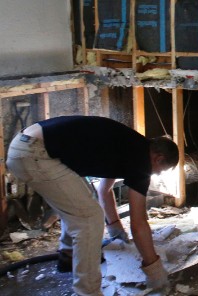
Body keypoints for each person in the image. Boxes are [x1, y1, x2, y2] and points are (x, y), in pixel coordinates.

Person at [5, 115, 179, 296]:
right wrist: (155, 271)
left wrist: (115, 229)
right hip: (34, 154)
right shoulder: (141, 161)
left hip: (26, 145)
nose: (158, 174)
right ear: (158, 158)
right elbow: (139, 223)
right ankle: (88, 292)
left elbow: (104, 190)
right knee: (89, 218)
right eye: (161, 170)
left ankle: (68, 257)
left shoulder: (130, 145)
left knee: (80, 204)